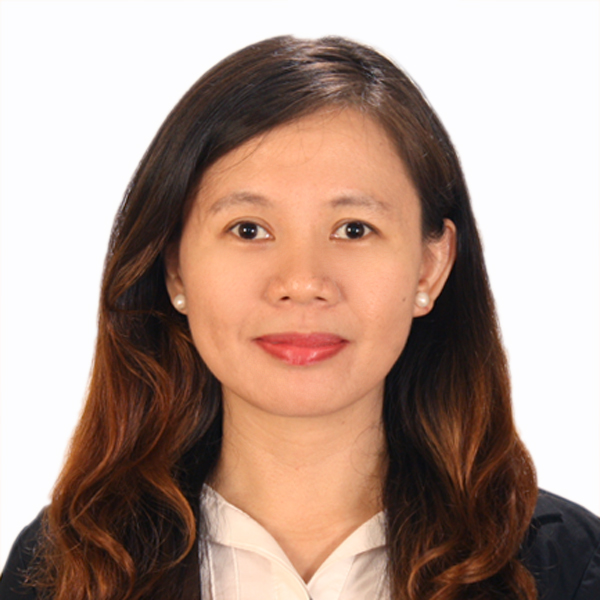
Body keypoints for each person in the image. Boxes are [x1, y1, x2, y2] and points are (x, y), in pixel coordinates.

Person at [0, 35, 598, 600]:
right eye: (248, 229)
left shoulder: (567, 569)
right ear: (175, 268)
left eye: (354, 229)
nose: (303, 282)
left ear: (430, 267)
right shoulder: (65, 568)